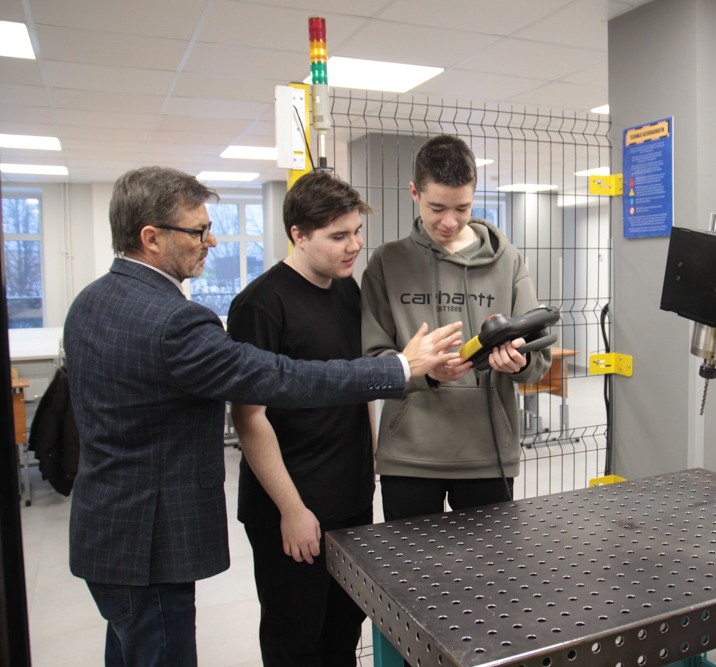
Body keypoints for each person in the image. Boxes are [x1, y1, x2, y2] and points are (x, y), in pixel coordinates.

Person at [62, 166, 463, 667]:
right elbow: (281, 380)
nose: (210, 241)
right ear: (151, 238)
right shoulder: (180, 319)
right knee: (287, 637)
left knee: (335, 630)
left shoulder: (91, 301)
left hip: (111, 531)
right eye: (198, 231)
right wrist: (400, 368)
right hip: (151, 540)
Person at [360, 134, 552, 522]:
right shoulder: (387, 262)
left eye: (462, 208)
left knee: (489, 562)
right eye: (437, 207)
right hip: (409, 456)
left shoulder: (508, 261)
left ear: (474, 195)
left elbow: (538, 358)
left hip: (487, 454)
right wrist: (423, 371)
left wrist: (518, 362)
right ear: (414, 193)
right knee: (408, 563)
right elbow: (371, 362)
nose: (449, 221)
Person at [226, 171, 376, 665]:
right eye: (338, 236)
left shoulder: (347, 289)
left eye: (357, 231)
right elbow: (249, 417)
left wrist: (371, 461)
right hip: (292, 507)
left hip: (350, 497)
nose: (354, 246)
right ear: (299, 234)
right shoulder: (260, 305)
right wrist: (291, 510)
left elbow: (358, 384)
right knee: (297, 639)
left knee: (344, 629)